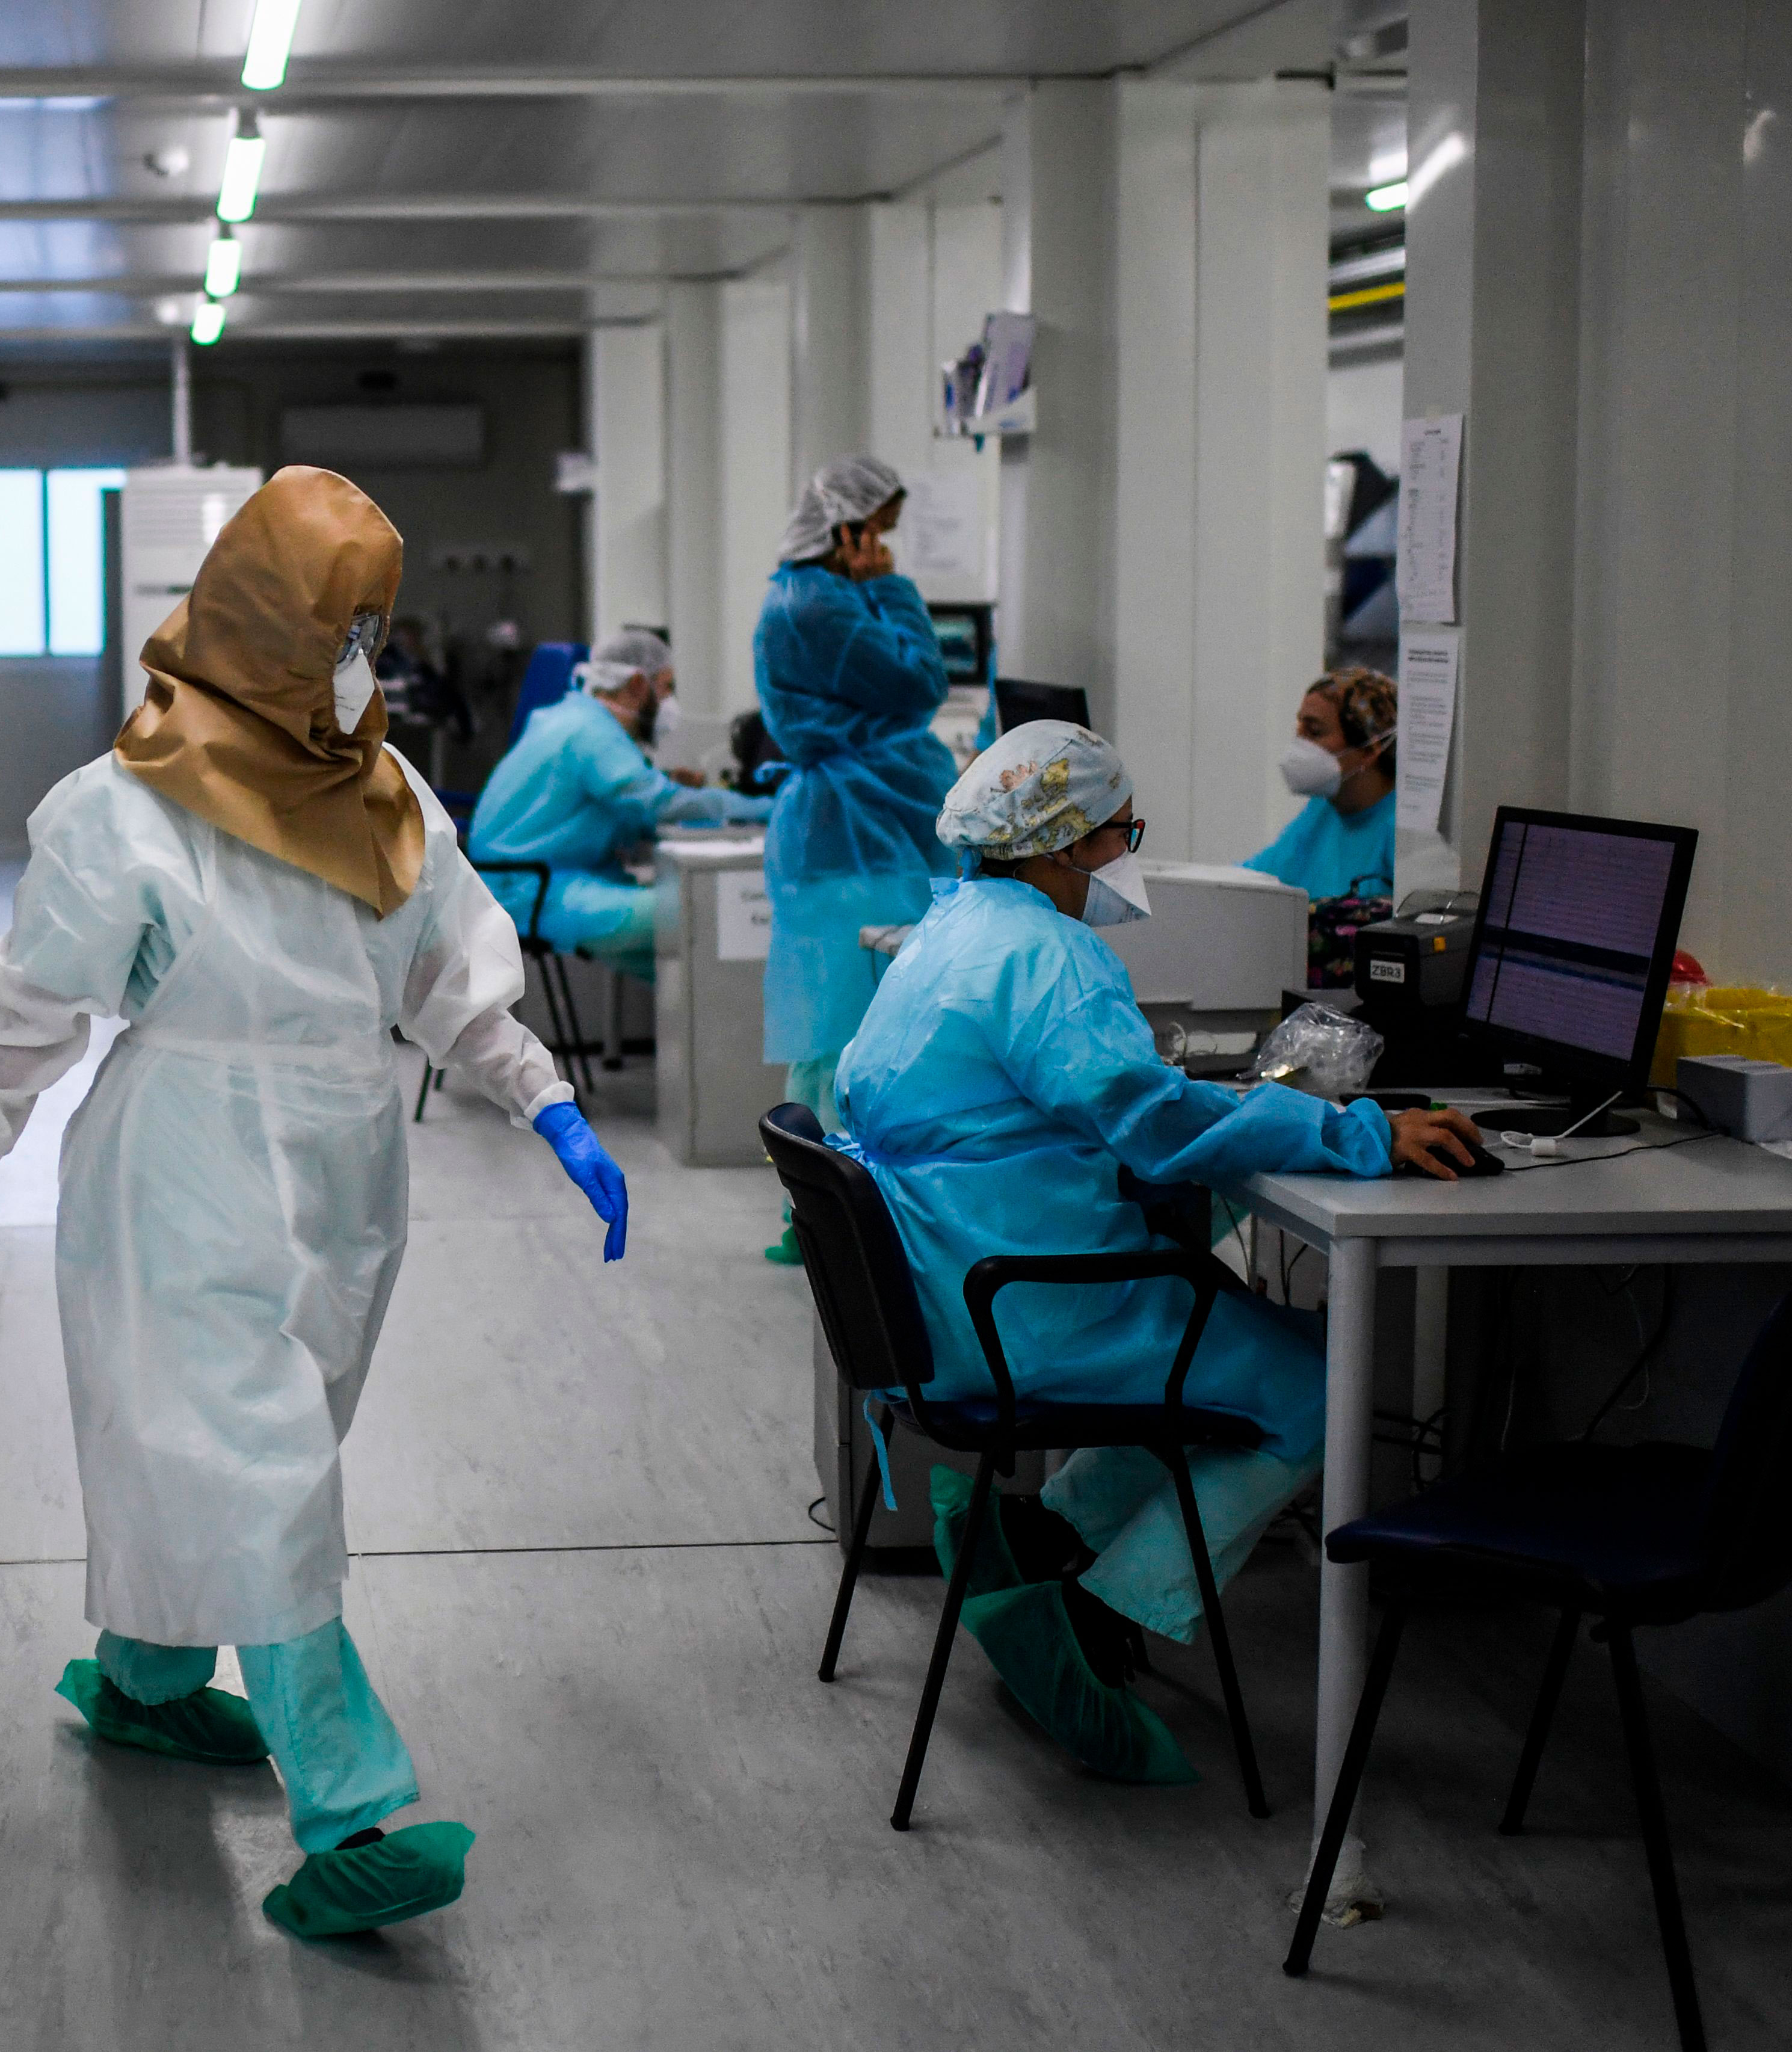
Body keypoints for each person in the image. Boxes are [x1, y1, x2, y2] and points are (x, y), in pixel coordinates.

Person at [0, 467, 630, 1940]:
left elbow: (451, 979)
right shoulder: (128, 809)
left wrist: (544, 1100)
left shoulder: (385, 792)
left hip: (345, 1166)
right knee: (259, 1469)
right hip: (183, 1165)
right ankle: (349, 1812)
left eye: (376, 626)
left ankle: (147, 1683)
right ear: (260, 622)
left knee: (248, 1445)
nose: (369, 659)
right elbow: (24, 1009)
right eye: (343, 626)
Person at [831, 719, 1483, 1782]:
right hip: (1029, 1307)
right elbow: (1155, 1125)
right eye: (1117, 832)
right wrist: (1361, 1132)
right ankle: (1094, 1617)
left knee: (1219, 1351)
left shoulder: (949, 929)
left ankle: (1040, 1541)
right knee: (1319, 1381)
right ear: (1060, 842)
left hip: (948, 1291)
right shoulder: (1051, 956)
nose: (1123, 853)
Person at [756, 457, 961, 1132]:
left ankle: (818, 1211)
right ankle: (830, 1208)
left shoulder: (810, 597)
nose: (886, 549)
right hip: (854, 833)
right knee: (848, 1030)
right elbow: (921, 683)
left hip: (861, 825)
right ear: (845, 531)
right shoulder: (820, 601)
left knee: (839, 1027)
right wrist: (892, 588)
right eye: (880, 531)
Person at [466, 628, 771, 982]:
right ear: (639, 686)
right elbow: (658, 805)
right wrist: (766, 808)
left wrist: (670, 784)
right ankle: (725, 1031)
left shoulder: (572, 717)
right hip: (535, 897)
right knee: (710, 911)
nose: (671, 702)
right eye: (667, 687)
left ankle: (707, 1032)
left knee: (683, 969)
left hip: (526, 889)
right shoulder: (591, 732)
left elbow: (618, 805)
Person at [1245, 665, 1399, 901]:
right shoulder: (1322, 810)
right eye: (1300, 730)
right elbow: (1254, 880)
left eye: (1314, 732)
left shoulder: (1400, 830)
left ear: (1369, 750)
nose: (1299, 744)